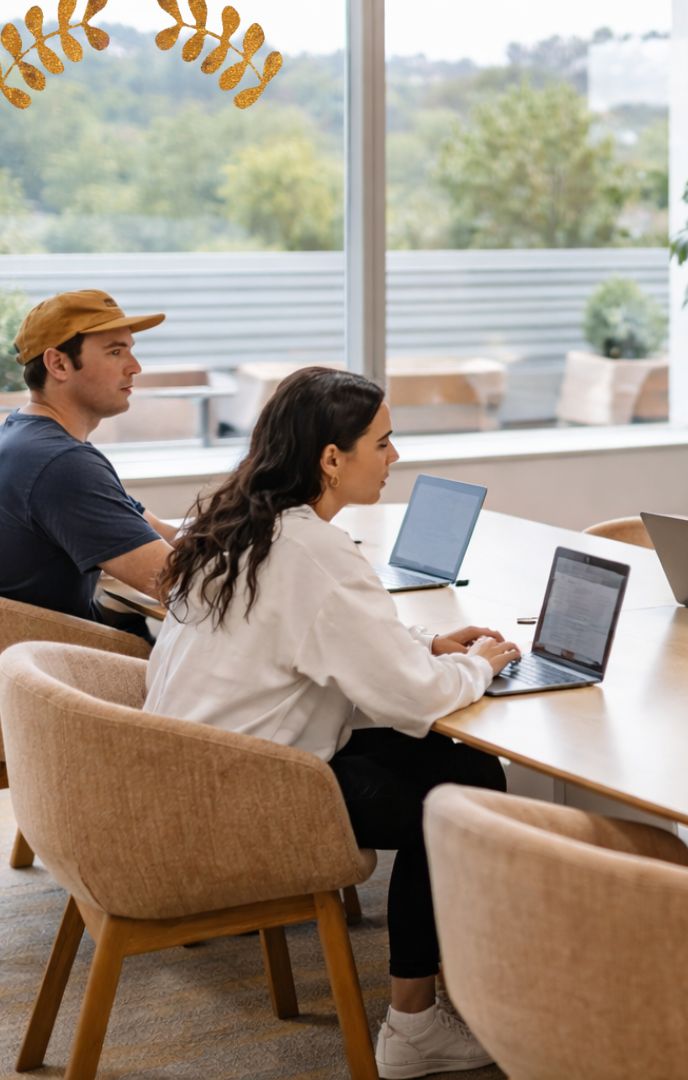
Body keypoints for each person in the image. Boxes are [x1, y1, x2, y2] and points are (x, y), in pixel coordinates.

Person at [144, 366, 520, 1079]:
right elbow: (411, 701)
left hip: (191, 776)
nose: (395, 457)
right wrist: (484, 666)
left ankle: (433, 997)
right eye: (384, 442)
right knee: (459, 800)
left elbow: (332, 645)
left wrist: (426, 644)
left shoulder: (241, 528)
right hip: (248, 798)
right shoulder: (312, 552)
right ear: (331, 458)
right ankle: (413, 1028)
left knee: (464, 767)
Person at [0, 289, 176, 627]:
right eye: (115, 352)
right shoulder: (60, 463)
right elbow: (180, 583)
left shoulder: (25, 438)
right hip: (63, 665)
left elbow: (159, 531)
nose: (135, 367)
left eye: (130, 351)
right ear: (59, 364)